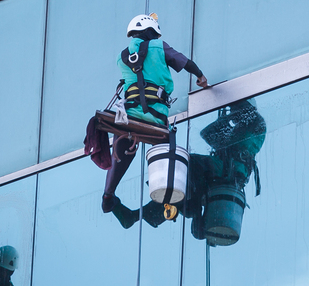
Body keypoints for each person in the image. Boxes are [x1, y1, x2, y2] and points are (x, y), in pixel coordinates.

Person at [107, 99, 266, 245]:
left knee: (187, 165)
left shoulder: (255, 124)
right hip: (226, 172)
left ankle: (190, 210)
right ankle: (144, 215)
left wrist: (224, 120)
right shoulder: (251, 125)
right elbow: (215, 137)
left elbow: (210, 135)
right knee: (185, 177)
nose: (231, 110)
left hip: (228, 170)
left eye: (233, 107)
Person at [101, 13, 211, 214]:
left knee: (123, 148)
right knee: (168, 152)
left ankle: (108, 193)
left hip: (128, 117)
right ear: (151, 31)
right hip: (156, 119)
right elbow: (185, 63)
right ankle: (170, 193)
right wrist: (201, 77)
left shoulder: (122, 56)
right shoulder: (159, 47)